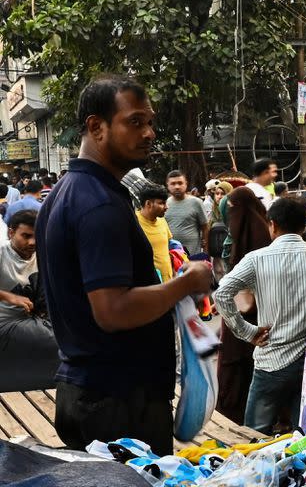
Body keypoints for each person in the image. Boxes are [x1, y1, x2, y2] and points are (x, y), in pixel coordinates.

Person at [35, 75, 213, 456]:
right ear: (96, 127)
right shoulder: (98, 204)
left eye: (150, 122)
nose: (148, 132)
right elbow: (112, 310)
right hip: (117, 404)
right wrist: (185, 284)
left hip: (90, 393)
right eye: (134, 122)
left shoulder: (65, 194)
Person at [213, 196, 306, 433]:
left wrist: (247, 332)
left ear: (273, 225)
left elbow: (222, 294)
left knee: (254, 434)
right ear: (304, 225)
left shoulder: (257, 258)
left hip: (271, 361)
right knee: (304, 436)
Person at [212, 186, 271, 425]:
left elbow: (226, 290)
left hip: (255, 315)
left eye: (234, 210)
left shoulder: (260, 239)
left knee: (244, 362)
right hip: (239, 312)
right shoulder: (235, 235)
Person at [0, 210, 60, 391]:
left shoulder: (43, 255)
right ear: (11, 233)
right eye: (25, 236)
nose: (32, 242)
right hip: (4, 322)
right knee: (58, 340)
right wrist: (7, 295)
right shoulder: (2, 255)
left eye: (36, 236)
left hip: (31, 320)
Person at [136, 184, 174, 283]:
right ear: (148, 203)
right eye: (162, 203)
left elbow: (168, 248)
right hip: (147, 285)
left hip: (167, 282)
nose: (166, 207)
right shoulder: (133, 222)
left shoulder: (162, 221)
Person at [165, 170, 208, 255]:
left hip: (193, 254)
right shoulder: (164, 204)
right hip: (170, 255)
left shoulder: (196, 202)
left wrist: (206, 250)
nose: (177, 186)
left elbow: (205, 226)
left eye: (180, 183)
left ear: (186, 184)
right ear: (167, 186)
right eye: (173, 184)